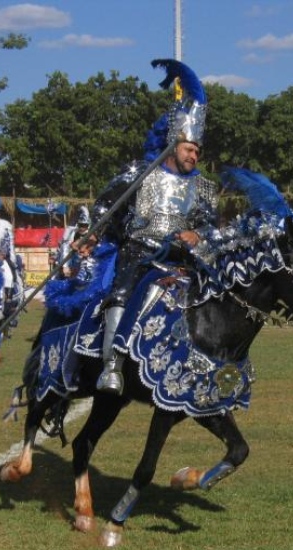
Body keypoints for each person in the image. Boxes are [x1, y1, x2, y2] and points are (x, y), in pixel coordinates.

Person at [90, 59, 220, 395]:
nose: (194, 155)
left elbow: (211, 226)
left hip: (184, 256)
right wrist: (91, 232)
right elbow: (105, 204)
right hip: (142, 250)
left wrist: (199, 234)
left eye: (198, 150)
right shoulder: (142, 173)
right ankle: (111, 366)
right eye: (189, 148)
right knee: (122, 292)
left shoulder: (204, 186)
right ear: (173, 144)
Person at [56, 206, 92, 278]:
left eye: (84, 226)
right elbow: (65, 247)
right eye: (80, 225)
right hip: (68, 261)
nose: (82, 228)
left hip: (82, 263)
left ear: (88, 226)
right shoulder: (71, 233)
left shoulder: (90, 234)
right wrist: (65, 266)